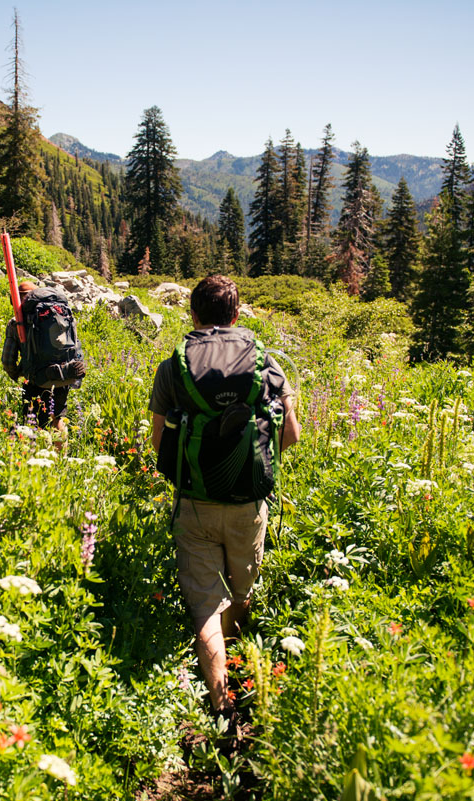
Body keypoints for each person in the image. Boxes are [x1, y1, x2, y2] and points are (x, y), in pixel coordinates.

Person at [148, 274, 301, 728]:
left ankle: (220, 708)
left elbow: (160, 444)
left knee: (204, 606)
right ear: (237, 315)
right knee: (240, 594)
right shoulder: (268, 363)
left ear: (192, 314)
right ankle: (236, 667)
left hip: (194, 503)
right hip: (248, 503)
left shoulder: (173, 367)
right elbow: (291, 435)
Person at [0, 281, 84, 431]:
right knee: (57, 419)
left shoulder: (16, 324)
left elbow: (7, 360)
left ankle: (37, 452)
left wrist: (18, 374)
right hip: (64, 374)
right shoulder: (63, 314)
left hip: (36, 378)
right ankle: (60, 454)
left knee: (33, 422)